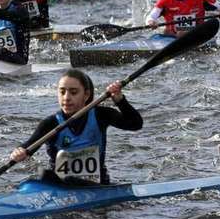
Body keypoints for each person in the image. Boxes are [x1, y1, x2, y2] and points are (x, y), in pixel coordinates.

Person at [10, 69, 143, 185]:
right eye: (62, 92)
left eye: (73, 92)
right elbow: (28, 146)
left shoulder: (101, 115)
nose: (66, 98)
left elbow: (135, 124)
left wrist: (120, 100)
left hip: (96, 185)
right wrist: (19, 152)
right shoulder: (50, 123)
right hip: (61, 186)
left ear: (86, 95)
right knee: (44, 175)